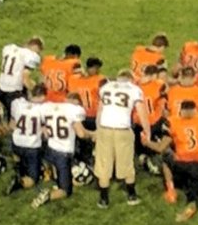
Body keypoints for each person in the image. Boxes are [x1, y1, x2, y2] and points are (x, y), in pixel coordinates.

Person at [94, 69, 150, 208]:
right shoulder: (134, 89)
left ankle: (103, 199)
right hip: (122, 130)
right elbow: (142, 112)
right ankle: (131, 195)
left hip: (105, 128)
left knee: (104, 164)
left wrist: (98, 129)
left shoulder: (106, 87)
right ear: (131, 79)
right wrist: (147, 131)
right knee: (127, 163)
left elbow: (100, 110)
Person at [30, 91, 92, 208]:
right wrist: (93, 135)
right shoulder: (74, 110)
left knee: (60, 174)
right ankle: (48, 195)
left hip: (50, 149)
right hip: (63, 154)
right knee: (65, 191)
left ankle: (54, 179)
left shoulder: (48, 107)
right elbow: (81, 134)